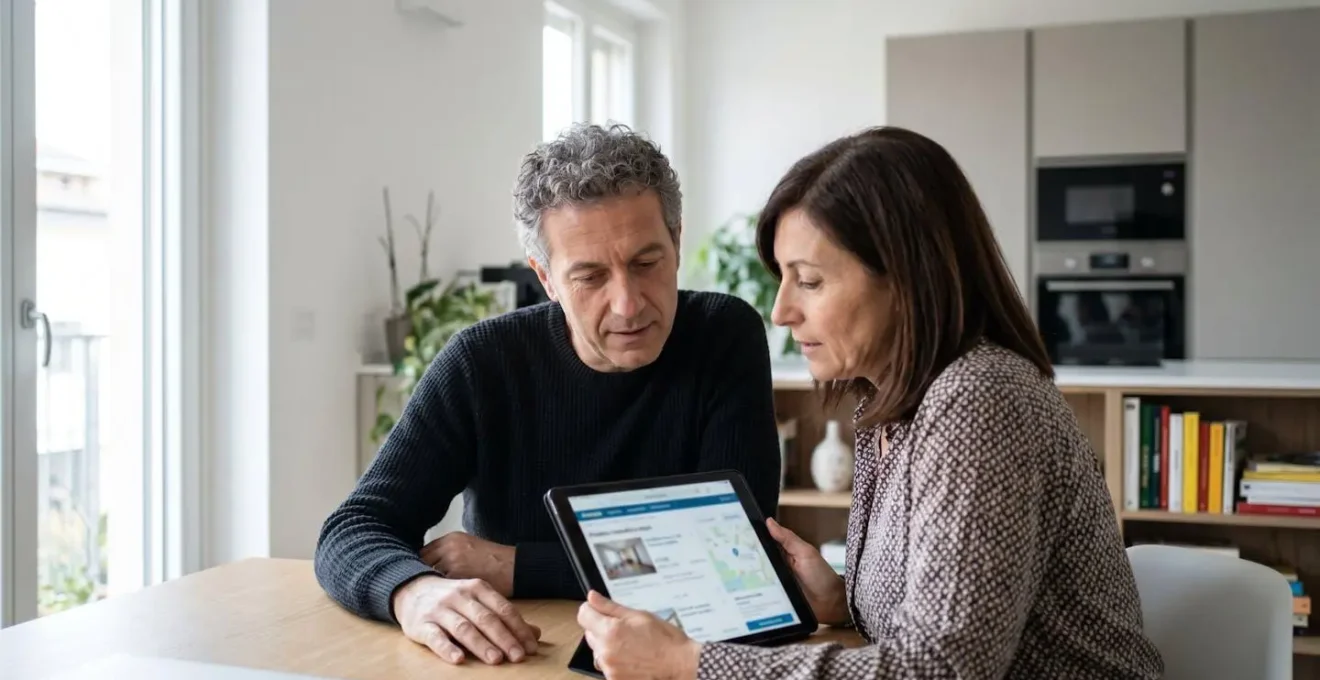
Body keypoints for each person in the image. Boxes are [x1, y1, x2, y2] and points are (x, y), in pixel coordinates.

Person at [576, 126, 1165, 679]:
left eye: (809, 281)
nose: (781, 311)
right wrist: (840, 599)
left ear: (906, 278)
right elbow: (933, 621)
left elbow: (939, 670)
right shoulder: (889, 408)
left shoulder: (979, 398)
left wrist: (692, 663)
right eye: (783, 279)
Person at [314, 123, 782, 668]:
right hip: (518, 659)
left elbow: (736, 554)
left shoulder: (724, 336)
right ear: (546, 279)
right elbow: (354, 528)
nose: (628, 304)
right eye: (590, 277)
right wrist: (411, 592)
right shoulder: (482, 362)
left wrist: (516, 566)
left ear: (676, 243)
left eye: (646, 263)